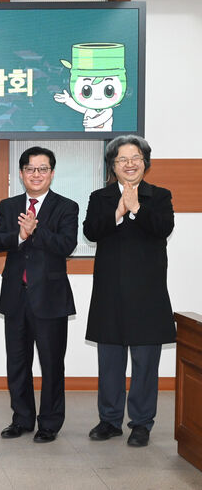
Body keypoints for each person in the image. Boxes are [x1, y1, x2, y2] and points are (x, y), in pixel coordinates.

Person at [84, 135, 175, 448]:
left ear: (145, 162)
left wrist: (136, 208)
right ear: (113, 165)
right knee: (110, 362)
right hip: (110, 292)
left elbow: (163, 228)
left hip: (147, 294)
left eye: (135, 158)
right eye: (122, 159)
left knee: (145, 365)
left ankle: (141, 423)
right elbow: (91, 231)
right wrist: (118, 212)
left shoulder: (159, 196)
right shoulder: (100, 197)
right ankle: (109, 421)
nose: (130, 164)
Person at [0, 147, 79, 443]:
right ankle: (22, 419)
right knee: (17, 363)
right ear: (21, 173)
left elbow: (66, 245)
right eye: (30, 169)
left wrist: (35, 231)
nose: (36, 174)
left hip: (50, 298)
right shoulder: (9, 205)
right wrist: (20, 235)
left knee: (52, 364)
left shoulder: (66, 206)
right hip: (16, 296)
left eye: (42, 169)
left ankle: (49, 423)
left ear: (52, 173)